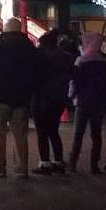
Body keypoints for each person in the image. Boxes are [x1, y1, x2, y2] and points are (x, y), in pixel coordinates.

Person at [0, 17, 42, 178]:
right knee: (20, 136)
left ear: (5, 30)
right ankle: (21, 169)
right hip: (21, 98)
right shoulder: (29, 47)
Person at [67, 32, 106, 174]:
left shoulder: (81, 61)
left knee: (78, 133)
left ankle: (72, 163)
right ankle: (94, 165)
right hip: (98, 102)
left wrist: (71, 96)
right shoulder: (104, 62)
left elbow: (74, 81)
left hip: (83, 102)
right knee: (96, 134)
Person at [33, 29, 73, 175]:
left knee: (42, 132)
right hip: (59, 97)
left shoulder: (40, 55)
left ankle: (44, 163)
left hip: (42, 97)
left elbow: (35, 76)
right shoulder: (64, 56)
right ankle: (58, 161)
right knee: (53, 131)